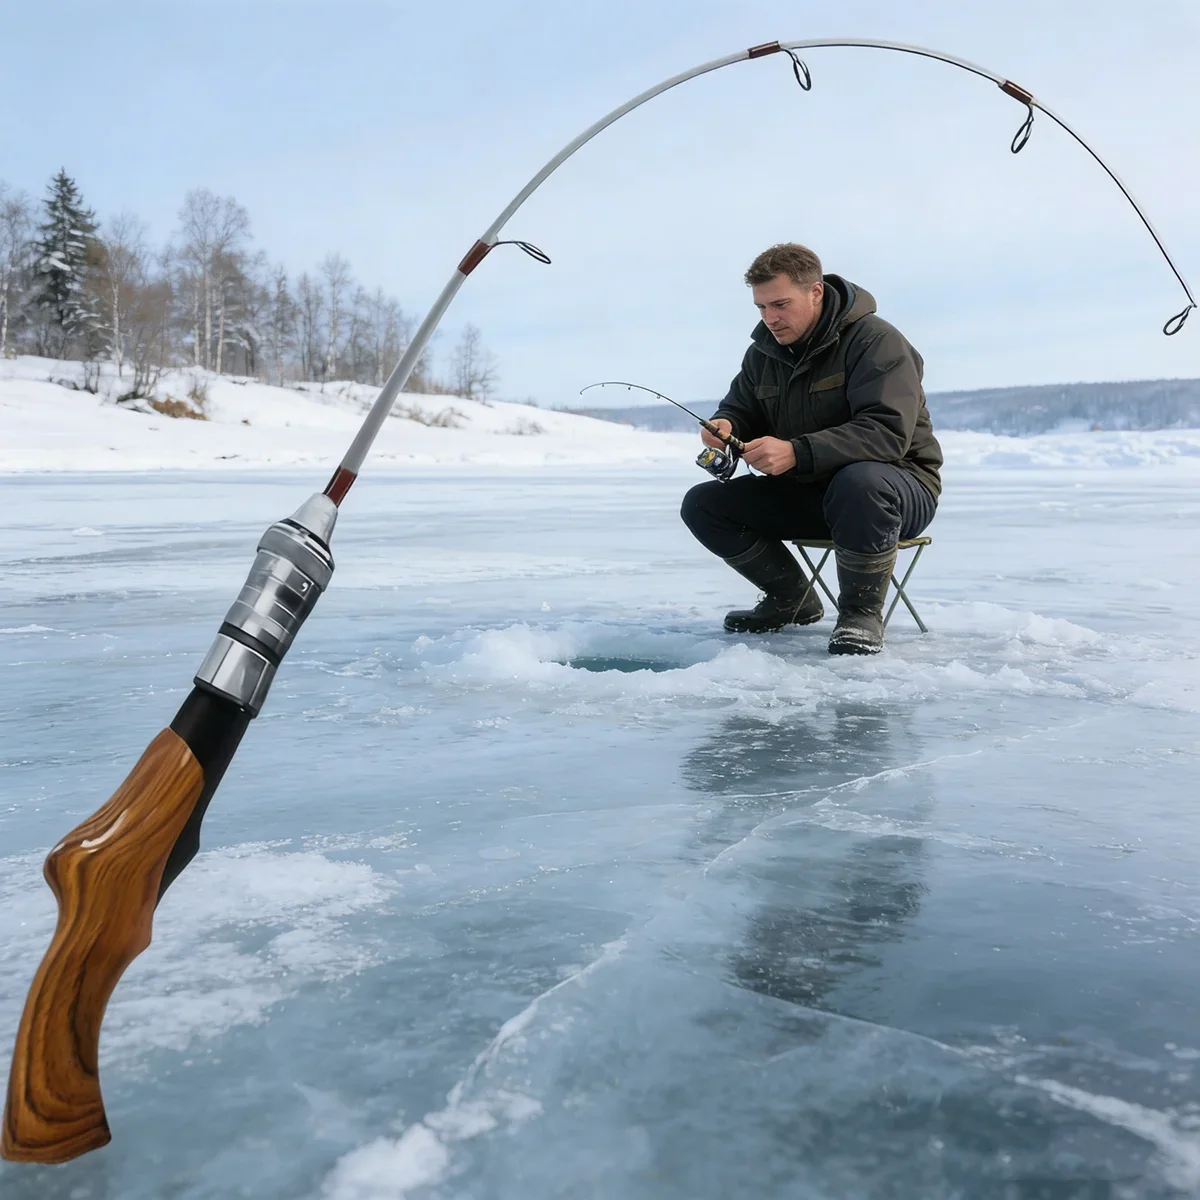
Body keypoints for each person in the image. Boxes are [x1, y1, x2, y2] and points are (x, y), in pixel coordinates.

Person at [680, 243, 942, 655]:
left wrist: (797, 452)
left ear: (815, 292)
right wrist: (726, 425)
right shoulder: (763, 351)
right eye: (761, 307)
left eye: (780, 304)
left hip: (894, 492)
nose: (770, 318)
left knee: (859, 482)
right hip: (811, 492)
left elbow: (887, 433)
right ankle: (792, 599)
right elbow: (741, 406)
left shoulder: (878, 342)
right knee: (703, 504)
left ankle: (860, 616)